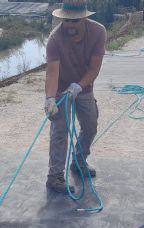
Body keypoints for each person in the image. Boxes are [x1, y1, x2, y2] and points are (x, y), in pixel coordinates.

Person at [43, 0, 106, 193]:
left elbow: (95, 68)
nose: (70, 25)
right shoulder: (54, 40)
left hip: (84, 87)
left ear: (84, 19)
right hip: (61, 89)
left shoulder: (98, 32)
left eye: (75, 21)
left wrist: (78, 86)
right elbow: (52, 72)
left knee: (90, 126)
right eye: (67, 21)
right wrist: (50, 99)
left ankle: (78, 162)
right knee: (59, 131)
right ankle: (54, 177)